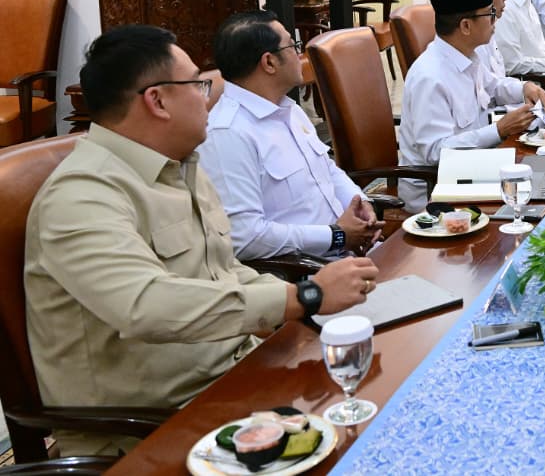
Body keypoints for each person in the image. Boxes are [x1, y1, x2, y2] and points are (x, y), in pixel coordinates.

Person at [24, 25, 377, 455]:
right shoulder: (82, 194)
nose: (209, 95)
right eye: (197, 84)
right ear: (157, 100)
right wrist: (302, 297)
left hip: (235, 377)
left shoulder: (182, 166)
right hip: (150, 425)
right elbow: (145, 306)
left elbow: (224, 271)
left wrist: (314, 295)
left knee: (377, 397)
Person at [198, 11, 382, 260]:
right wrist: (335, 236)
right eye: (293, 46)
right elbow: (245, 237)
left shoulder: (288, 109)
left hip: (350, 252)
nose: (299, 55)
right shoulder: (228, 134)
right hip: (309, 274)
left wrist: (359, 201)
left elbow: (327, 169)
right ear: (269, 62)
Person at [398, 0, 545, 209]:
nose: (495, 20)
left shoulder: (466, 55)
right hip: (438, 191)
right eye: (490, 14)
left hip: (475, 169)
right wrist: (499, 129)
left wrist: (524, 87)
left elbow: (493, 86)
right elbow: (436, 153)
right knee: (534, 198)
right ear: (466, 26)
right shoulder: (430, 76)